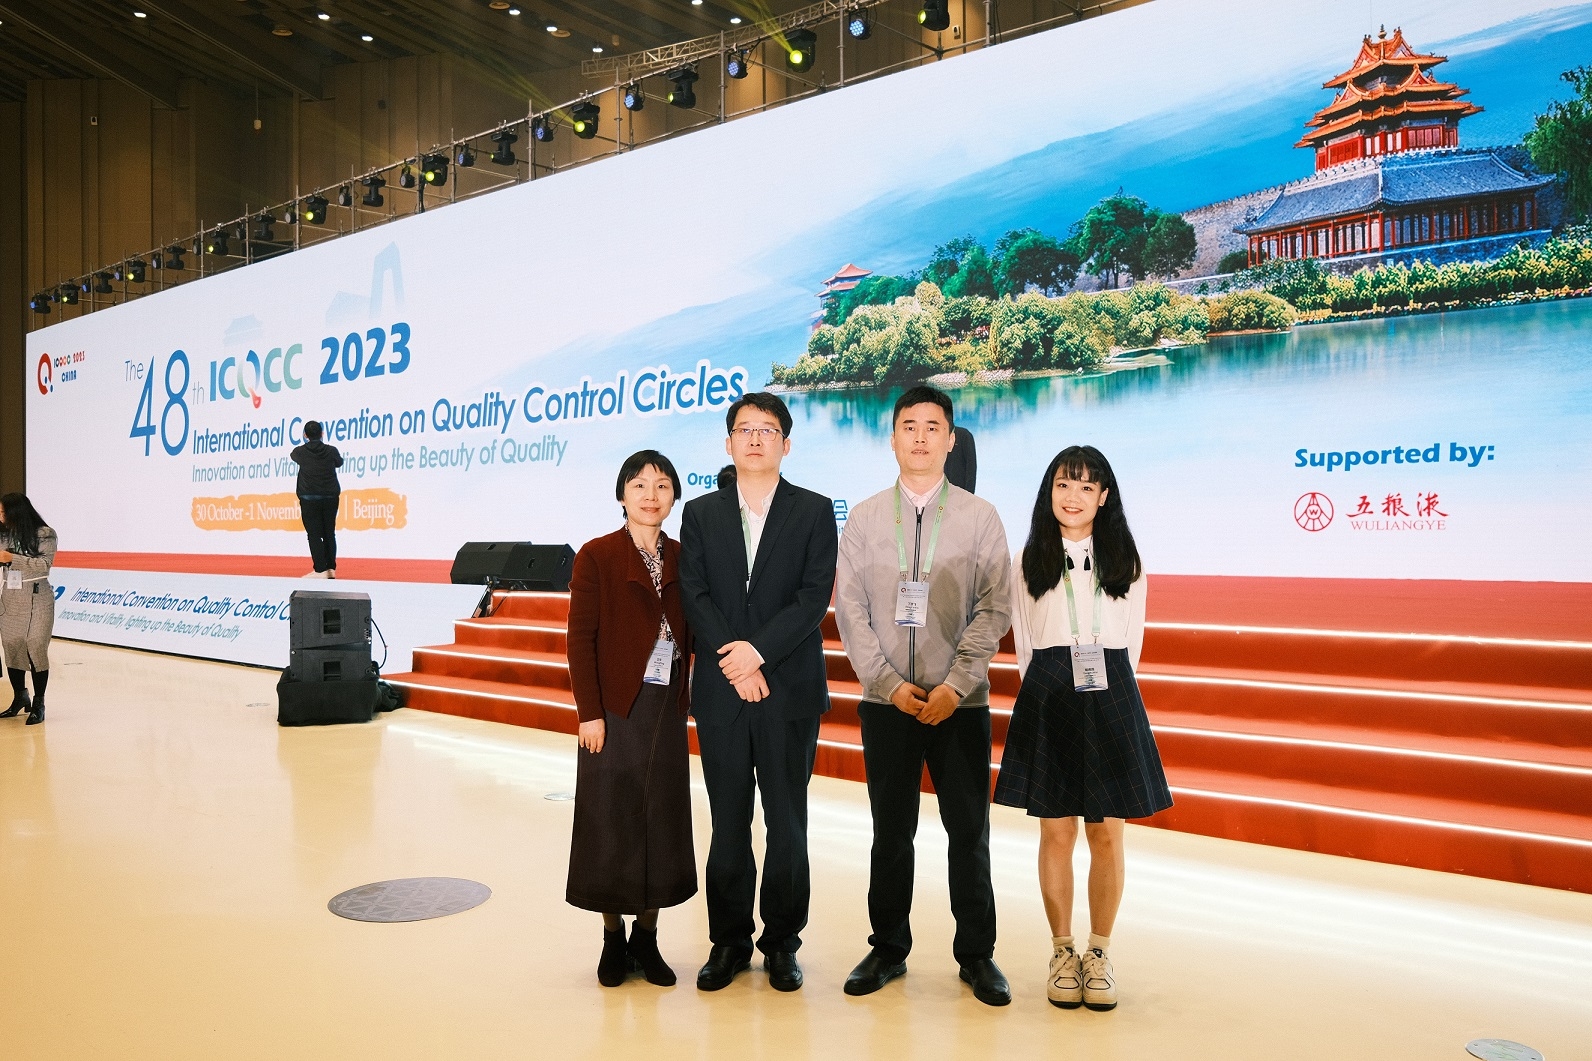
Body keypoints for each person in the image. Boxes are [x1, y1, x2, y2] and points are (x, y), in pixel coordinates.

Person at [833, 385, 1014, 1006]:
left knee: (969, 832)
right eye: (908, 426)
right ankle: (887, 947)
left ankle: (977, 954)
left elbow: (995, 606)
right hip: (888, 704)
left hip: (960, 706)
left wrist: (956, 684)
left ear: (950, 440)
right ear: (892, 439)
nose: (920, 437)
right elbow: (850, 609)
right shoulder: (863, 518)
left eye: (932, 427)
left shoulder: (980, 516)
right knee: (891, 831)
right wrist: (887, 683)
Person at [993, 445, 1171, 1012]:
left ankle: (1100, 953)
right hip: (1049, 692)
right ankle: (1062, 952)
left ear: (1104, 496)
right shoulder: (1028, 560)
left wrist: (1108, 687)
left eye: (1086, 487)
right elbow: (1025, 641)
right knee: (1056, 833)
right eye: (1063, 485)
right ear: (1049, 492)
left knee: (1108, 834)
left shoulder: (1126, 561)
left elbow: (1132, 643)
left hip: (1110, 690)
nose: (1073, 497)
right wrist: (1047, 689)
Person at [678, 392, 837, 993]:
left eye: (766, 430)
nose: (754, 438)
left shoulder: (814, 510)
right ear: (728, 443)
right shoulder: (701, 513)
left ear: (785, 444)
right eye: (743, 429)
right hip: (724, 691)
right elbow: (695, 595)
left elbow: (812, 598)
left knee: (787, 823)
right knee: (728, 822)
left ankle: (782, 943)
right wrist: (737, 662)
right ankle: (728, 942)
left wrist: (758, 653)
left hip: (788, 690)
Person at [565, 449, 697, 988]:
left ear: (674, 497)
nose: (651, 495)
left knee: (661, 819)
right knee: (611, 820)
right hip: (615, 708)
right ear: (622, 494)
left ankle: (648, 936)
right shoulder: (596, 555)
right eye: (639, 484)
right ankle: (612, 936)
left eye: (662, 485)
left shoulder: (684, 556)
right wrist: (589, 713)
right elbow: (580, 639)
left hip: (666, 705)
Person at [0, 493, 57, 726]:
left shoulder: (45, 534)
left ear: (16, 512)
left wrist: (12, 558)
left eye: (3, 512)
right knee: (12, 645)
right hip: (10, 598)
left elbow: (44, 565)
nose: (0, 516)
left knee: (36, 646)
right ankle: (19, 697)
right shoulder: (4, 534)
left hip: (38, 597)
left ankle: (39, 703)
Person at [291, 421, 343, 578]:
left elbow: (293, 456)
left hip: (309, 497)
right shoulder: (331, 450)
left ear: (305, 435)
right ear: (322, 434)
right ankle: (331, 569)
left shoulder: (299, 452)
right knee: (329, 533)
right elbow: (339, 462)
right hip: (330, 496)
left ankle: (320, 569)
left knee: (313, 534)